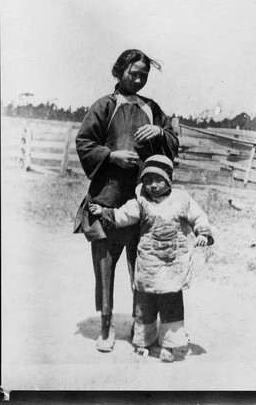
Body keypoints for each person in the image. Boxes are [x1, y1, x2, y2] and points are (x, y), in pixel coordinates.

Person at [73, 49, 179, 352]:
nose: (139, 78)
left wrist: (160, 131)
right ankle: (106, 327)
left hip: (141, 201)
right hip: (106, 199)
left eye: (144, 74)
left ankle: (139, 324)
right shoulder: (104, 105)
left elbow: (172, 141)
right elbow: (84, 142)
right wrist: (111, 154)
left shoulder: (152, 108)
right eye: (134, 72)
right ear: (119, 72)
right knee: (105, 266)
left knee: (141, 266)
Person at [88, 154, 214, 362]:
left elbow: (198, 216)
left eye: (159, 180)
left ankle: (169, 346)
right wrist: (103, 212)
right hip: (149, 264)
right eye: (147, 180)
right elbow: (123, 215)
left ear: (169, 180)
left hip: (172, 265)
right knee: (144, 304)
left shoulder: (182, 200)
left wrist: (203, 233)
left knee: (171, 305)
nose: (153, 185)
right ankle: (144, 341)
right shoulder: (141, 200)